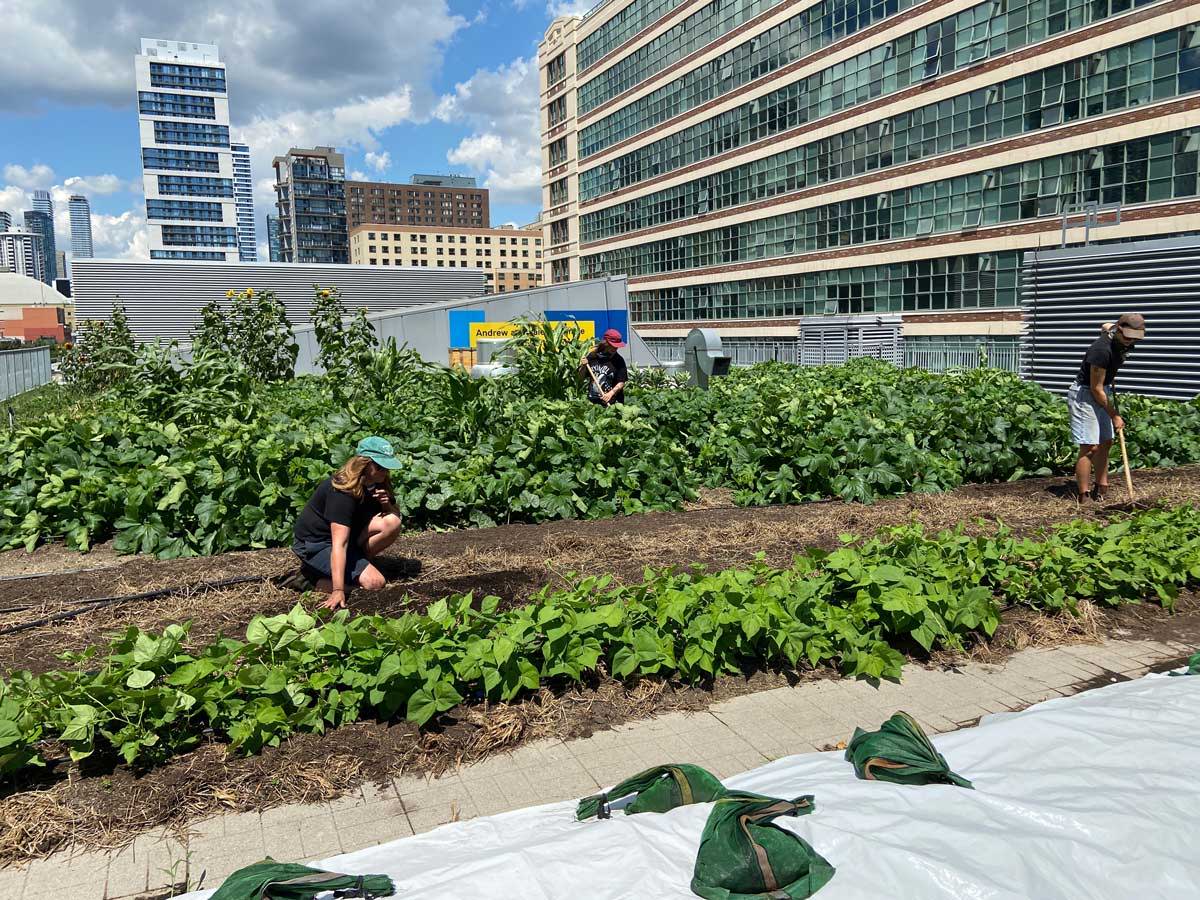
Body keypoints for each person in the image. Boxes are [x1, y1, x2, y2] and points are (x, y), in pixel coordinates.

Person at [289, 436, 403, 610]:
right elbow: (339, 543)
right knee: (375, 583)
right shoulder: (342, 492)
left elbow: (396, 516)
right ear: (364, 464)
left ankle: (355, 568)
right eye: (380, 467)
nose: (384, 472)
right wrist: (338, 589)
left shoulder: (376, 482)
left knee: (391, 522)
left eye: (387, 467)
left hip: (349, 536)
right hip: (316, 544)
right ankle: (308, 580)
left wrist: (386, 503)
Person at [1067, 313, 1146, 502]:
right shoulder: (1101, 350)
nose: (1130, 341)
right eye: (1127, 337)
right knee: (1090, 446)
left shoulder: (1116, 333)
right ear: (1119, 330)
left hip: (1104, 390)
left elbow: (1105, 325)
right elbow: (1095, 388)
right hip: (1086, 394)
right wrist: (1114, 415)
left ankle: (1101, 488)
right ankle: (1083, 495)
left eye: (1134, 337)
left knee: (1106, 442)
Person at [579, 328, 629, 406]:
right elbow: (580, 377)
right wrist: (583, 366)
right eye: (612, 345)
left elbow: (621, 382)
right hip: (592, 402)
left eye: (617, 346)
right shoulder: (592, 356)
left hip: (612, 403)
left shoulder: (619, 360)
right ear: (605, 343)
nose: (615, 348)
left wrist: (610, 394)